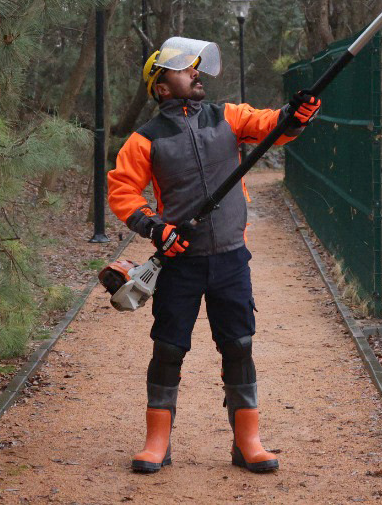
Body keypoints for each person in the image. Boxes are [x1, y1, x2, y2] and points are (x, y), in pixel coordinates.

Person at [106, 36, 321, 475]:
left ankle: (248, 442)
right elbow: (123, 191)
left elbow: (271, 126)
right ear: (161, 87)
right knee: (168, 348)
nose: (195, 72)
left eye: (196, 67)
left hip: (229, 258)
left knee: (238, 345)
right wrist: (155, 227)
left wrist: (294, 116)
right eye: (184, 69)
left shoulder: (227, 117)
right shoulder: (144, 139)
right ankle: (156, 441)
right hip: (179, 263)